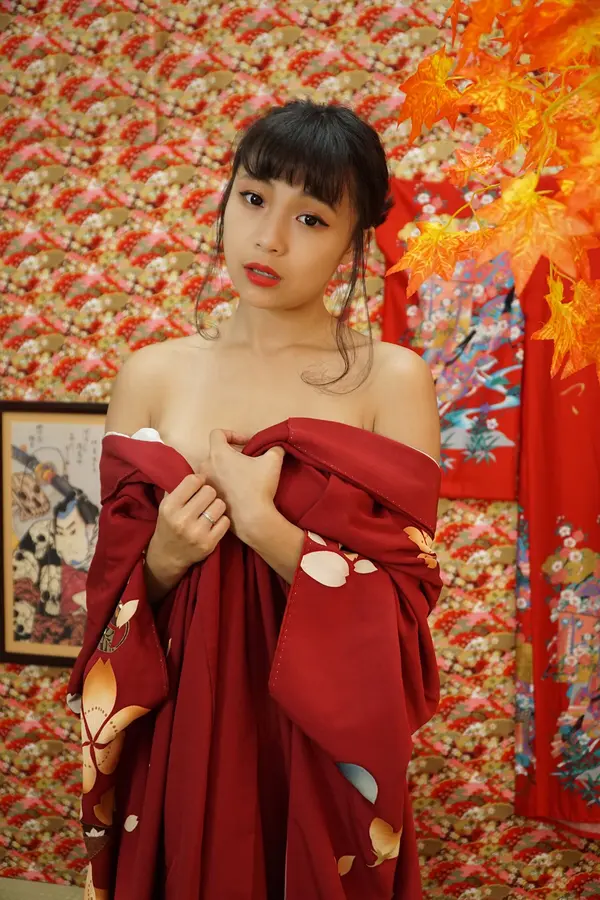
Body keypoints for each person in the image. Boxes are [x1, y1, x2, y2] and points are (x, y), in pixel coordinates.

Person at [69, 100, 443, 900]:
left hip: (315, 744)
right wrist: (164, 558)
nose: (269, 237)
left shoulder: (392, 380)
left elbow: (404, 615)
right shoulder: (152, 374)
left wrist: (265, 525)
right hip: (180, 727)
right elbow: (109, 591)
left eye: (311, 218)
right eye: (253, 197)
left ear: (355, 242)